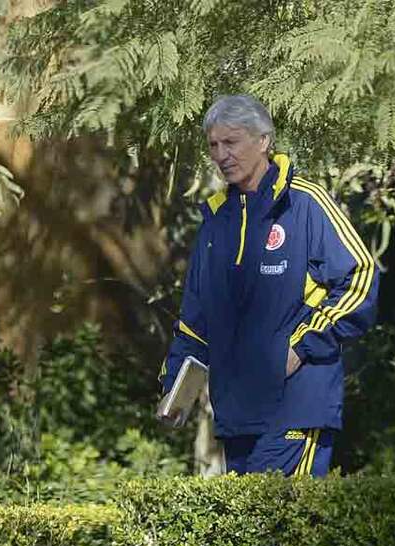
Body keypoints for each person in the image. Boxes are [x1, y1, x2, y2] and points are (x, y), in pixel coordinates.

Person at [159, 94, 379, 477]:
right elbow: (195, 321)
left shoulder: (304, 203)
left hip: (297, 406)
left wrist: (302, 344)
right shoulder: (214, 222)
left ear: (263, 141)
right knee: (252, 516)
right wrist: (175, 387)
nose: (221, 155)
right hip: (236, 414)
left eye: (231, 142)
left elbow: (360, 276)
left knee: (283, 514)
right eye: (213, 145)